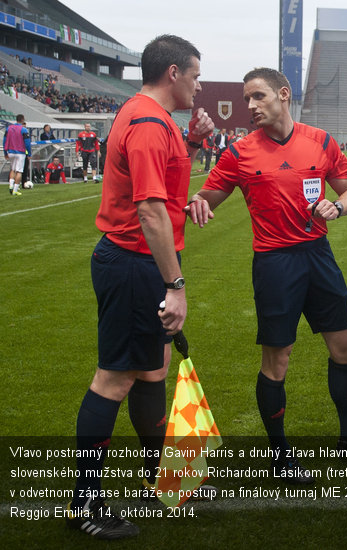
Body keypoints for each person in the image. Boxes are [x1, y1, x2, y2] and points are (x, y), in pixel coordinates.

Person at [194, 68, 347, 484]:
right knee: (277, 360)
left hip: (318, 257)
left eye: (258, 96)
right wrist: (197, 201)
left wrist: (338, 207)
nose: (250, 106)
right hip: (274, 264)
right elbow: (205, 196)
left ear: (283, 95)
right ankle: (281, 456)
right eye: (247, 99)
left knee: (346, 348)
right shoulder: (239, 152)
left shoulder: (319, 140)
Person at [66, 34, 215, 540]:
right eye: (195, 74)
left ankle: (166, 477)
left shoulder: (149, 115)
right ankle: (84, 504)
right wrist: (175, 284)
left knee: (154, 371)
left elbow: (160, 190)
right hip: (134, 262)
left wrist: (192, 144)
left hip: (135, 259)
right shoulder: (150, 124)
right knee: (116, 378)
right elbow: (149, 209)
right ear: (173, 73)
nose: (199, 84)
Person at [4, 114, 29, 196]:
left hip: (11, 151)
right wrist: (29, 153)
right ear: (22, 119)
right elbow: (27, 143)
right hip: (20, 153)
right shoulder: (24, 130)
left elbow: (4, 140)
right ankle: (15, 190)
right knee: (19, 171)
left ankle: (10, 185)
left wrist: (5, 152)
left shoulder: (9, 128)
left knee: (13, 169)